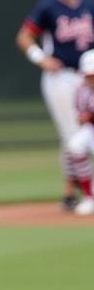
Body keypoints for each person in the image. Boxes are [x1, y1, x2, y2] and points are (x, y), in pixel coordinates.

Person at [15, 0, 94, 211]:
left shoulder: (89, 7)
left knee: (75, 135)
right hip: (60, 78)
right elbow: (24, 37)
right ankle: (84, 193)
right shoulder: (48, 7)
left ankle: (70, 193)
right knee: (73, 133)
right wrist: (41, 58)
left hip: (87, 79)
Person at [65, 48, 94, 215]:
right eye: (88, 75)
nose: (90, 78)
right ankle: (89, 197)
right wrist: (85, 117)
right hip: (91, 129)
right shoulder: (80, 89)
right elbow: (79, 115)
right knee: (75, 145)